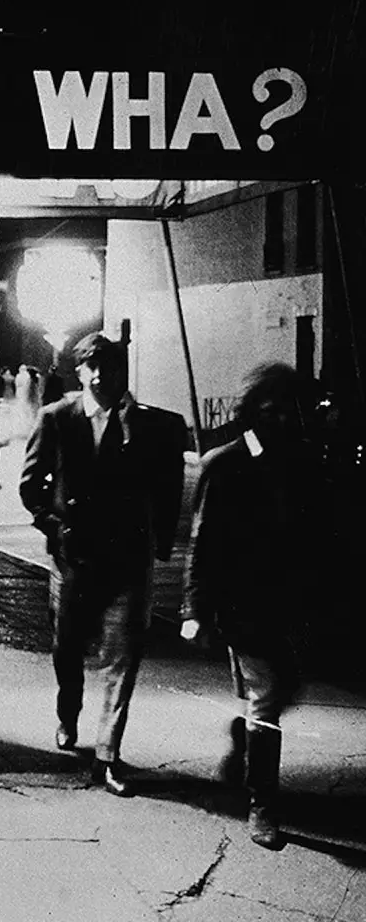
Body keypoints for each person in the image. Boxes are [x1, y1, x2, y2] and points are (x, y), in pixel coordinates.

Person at [20, 332, 186, 796]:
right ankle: (67, 713)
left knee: (123, 657)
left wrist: (161, 544)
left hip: (128, 560)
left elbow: (167, 487)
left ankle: (107, 756)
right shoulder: (57, 418)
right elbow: (30, 487)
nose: (98, 376)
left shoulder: (148, 425)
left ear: (120, 372)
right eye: (89, 367)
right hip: (74, 559)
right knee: (66, 648)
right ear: (78, 373)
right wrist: (55, 529)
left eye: (106, 367)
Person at [181, 363, 327, 850]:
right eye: (273, 409)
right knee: (268, 691)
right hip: (241, 603)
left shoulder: (305, 461)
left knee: (285, 686)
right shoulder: (223, 465)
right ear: (253, 412)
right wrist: (195, 608)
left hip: (291, 600)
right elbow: (202, 543)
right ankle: (263, 802)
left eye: (291, 409)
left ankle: (246, 740)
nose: (285, 418)